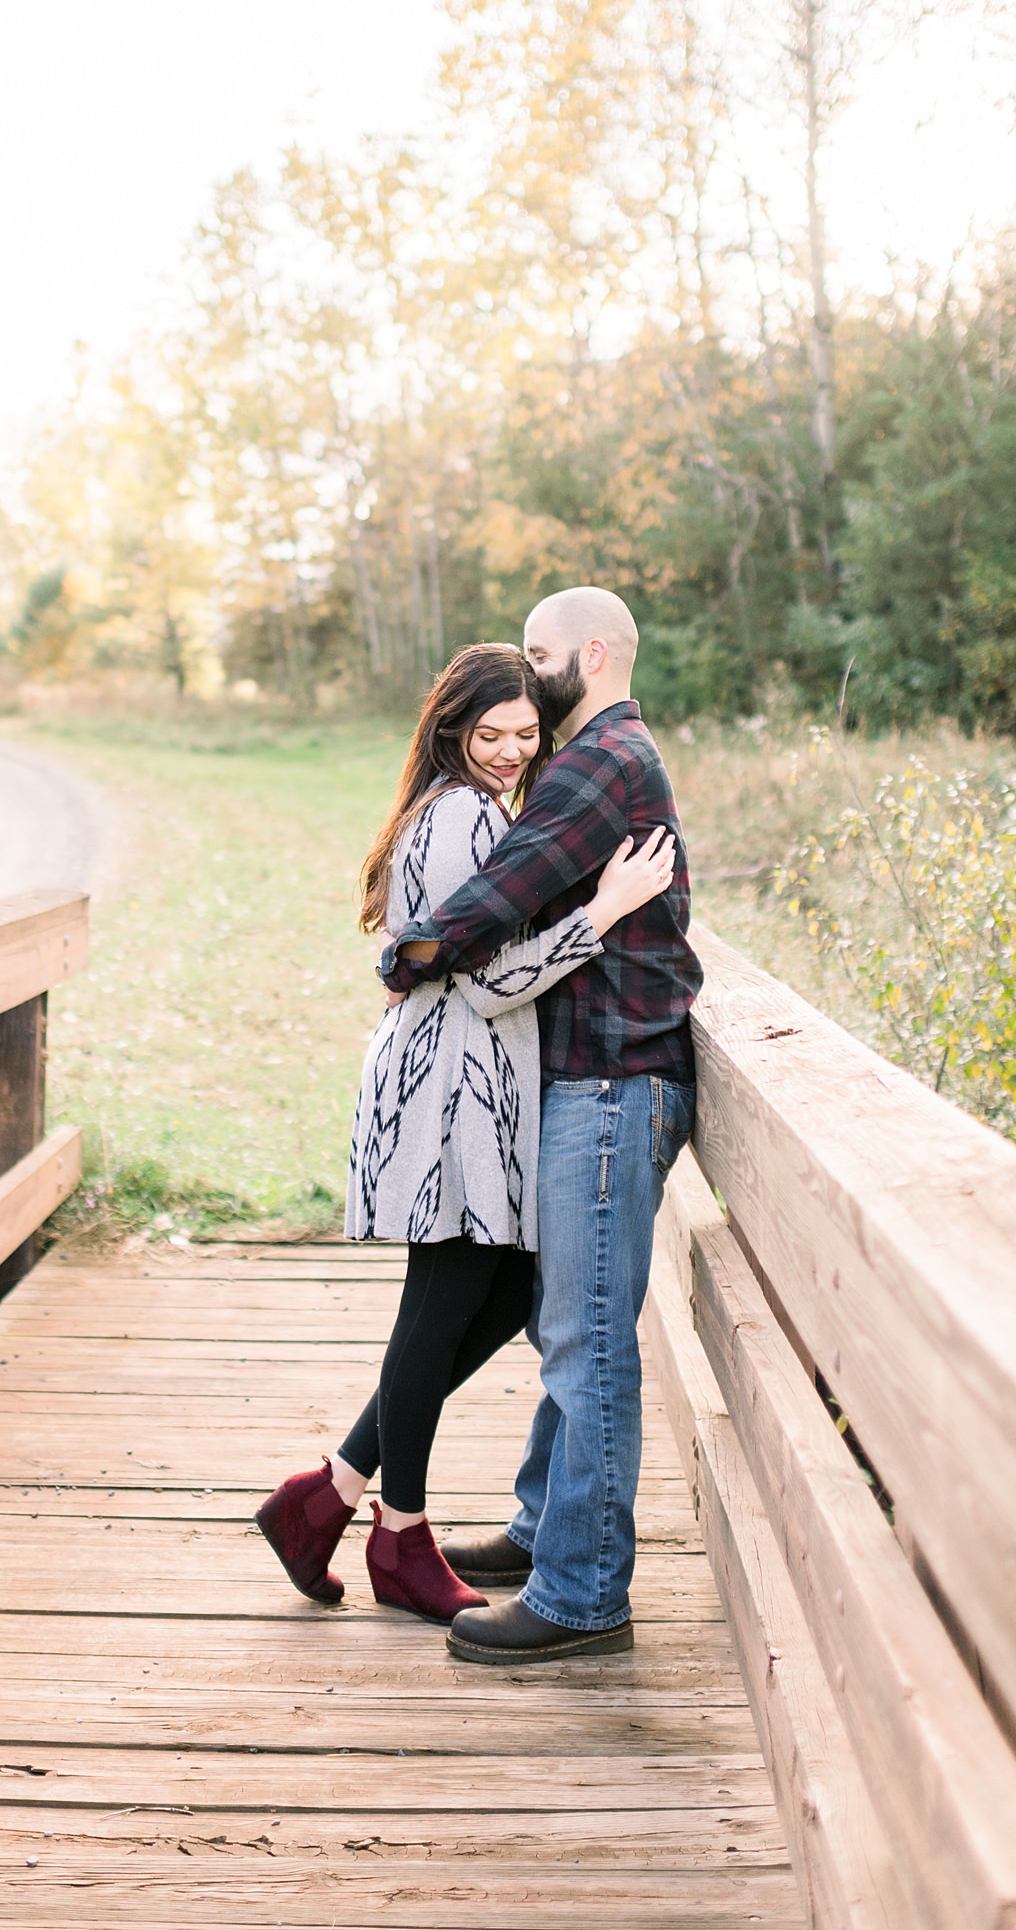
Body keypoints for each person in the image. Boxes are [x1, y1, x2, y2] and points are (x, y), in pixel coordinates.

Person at [254, 642, 674, 1625]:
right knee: (441, 1306)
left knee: (487, 1300)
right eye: (489, 734)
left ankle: (327, 1497)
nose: (508, 751)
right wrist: (606, 911)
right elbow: (485, 981)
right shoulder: (458, 816)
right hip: (447, 1089)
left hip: (473, 1088)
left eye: (526, 736)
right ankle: (398, 1534)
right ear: (452, 730)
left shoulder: (487, 810)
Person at [380, 587, 701, 1664]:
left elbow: (494, 900)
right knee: (570, 1328)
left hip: (613, 1085)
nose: (531, 670)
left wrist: (407, 951)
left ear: (591, 653)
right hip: (600, 1081)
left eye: (539, 654)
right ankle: (541, 1530)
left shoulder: (599, 763)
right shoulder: (604, 756)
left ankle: (581, 1595)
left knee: (586, 1342)